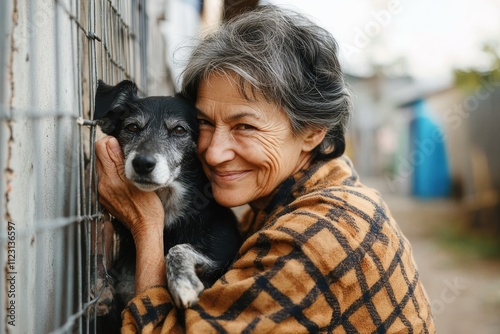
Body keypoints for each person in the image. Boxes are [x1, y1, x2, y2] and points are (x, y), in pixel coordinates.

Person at [95, 5, 435, 333]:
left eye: (245, 126)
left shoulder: (318, 237)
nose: (213, 154)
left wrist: (147, 226)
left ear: (312, 132)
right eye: (204, 124)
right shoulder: (281, 203)